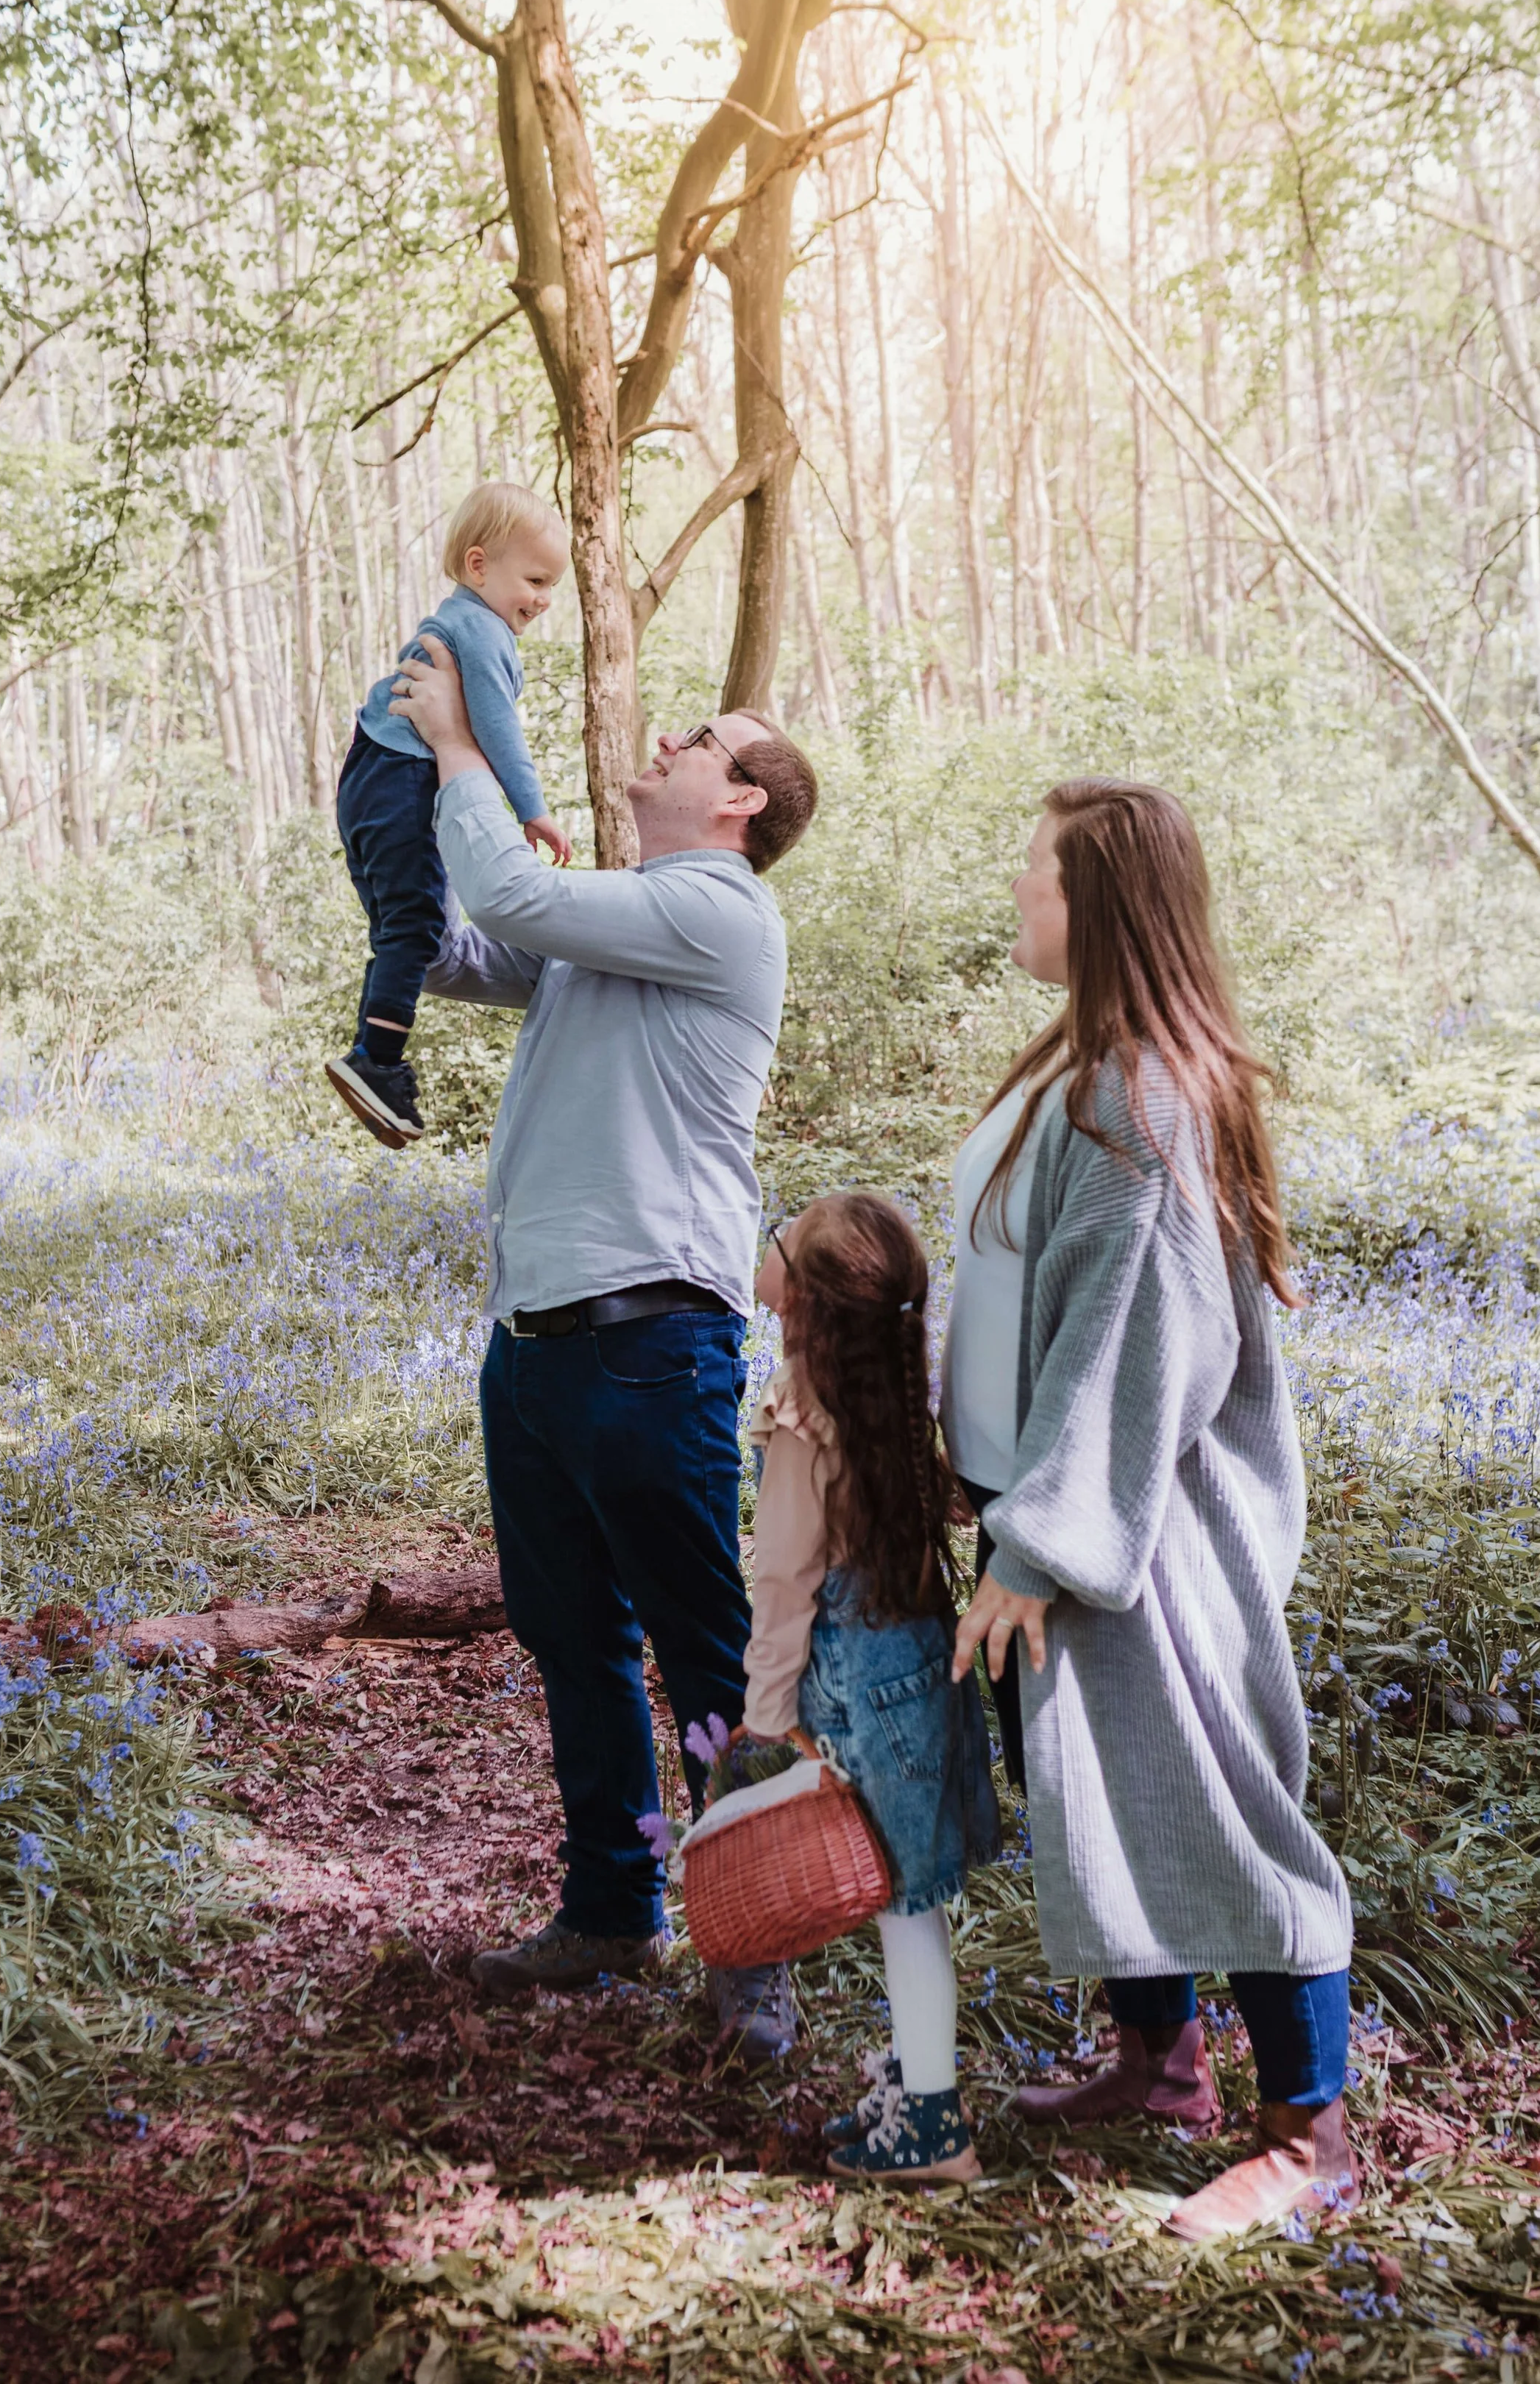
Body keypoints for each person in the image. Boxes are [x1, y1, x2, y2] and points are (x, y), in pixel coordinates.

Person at [390, 639, 820, 2060]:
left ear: (741, 802)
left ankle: (750, 1950)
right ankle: (610, 1912)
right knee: (572, 1639)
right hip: (535, 1339)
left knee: (704, 1652)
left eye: (703, 736)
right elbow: (466, 945)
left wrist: (462, 745)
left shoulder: (718, 912)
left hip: (653, 1341)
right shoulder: (627, 912)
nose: (672, 739)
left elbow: (511, 892)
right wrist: (388, 830)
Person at [946, 777, 1358, 2243]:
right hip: (1059, 1509)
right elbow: (1022, 1284)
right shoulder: (1092, 1065)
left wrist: (1041, 1542)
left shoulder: (1143, 1092)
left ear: (1100, 903)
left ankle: (1305, 2133)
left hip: (1145, 1534)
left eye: (1037, 876)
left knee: (1222, 1811)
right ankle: (1157, 2062)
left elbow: (1139, 1334)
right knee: (1105, 1790)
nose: (1017, 896)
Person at [738, 1191, 1001, 2183]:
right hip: (918, 1663)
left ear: (803, 1299)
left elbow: (783, 1575)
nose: (769, 1241)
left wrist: (769, 1718)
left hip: (856, 1684)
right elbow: (953, 1497)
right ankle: (914, 2084)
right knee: (911, 1904)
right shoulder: (886, 1385)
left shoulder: (807, 1407)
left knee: (906, 1912)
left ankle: (936, 2124)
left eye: (785, 1237)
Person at [326, 482, 574, 1149]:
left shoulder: (451, 619)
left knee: (401, 929)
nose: (544, 599)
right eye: (536, 578)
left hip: (366, 776)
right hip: (404, 778)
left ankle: (374, 1052)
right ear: (478, 565)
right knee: (416, 925)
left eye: (553, 585)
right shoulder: (484, 633)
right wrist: (533, 810)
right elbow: (496, 727)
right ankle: (376, 1061)